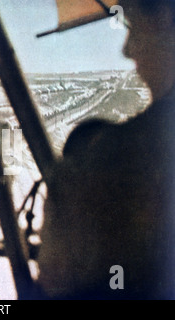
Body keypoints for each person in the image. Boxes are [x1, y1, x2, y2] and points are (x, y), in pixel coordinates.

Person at [36, 0, 175, 300]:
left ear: (163, 17)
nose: (127, 50)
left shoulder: (107, 166)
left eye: (134, 25)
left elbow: (52, 280)